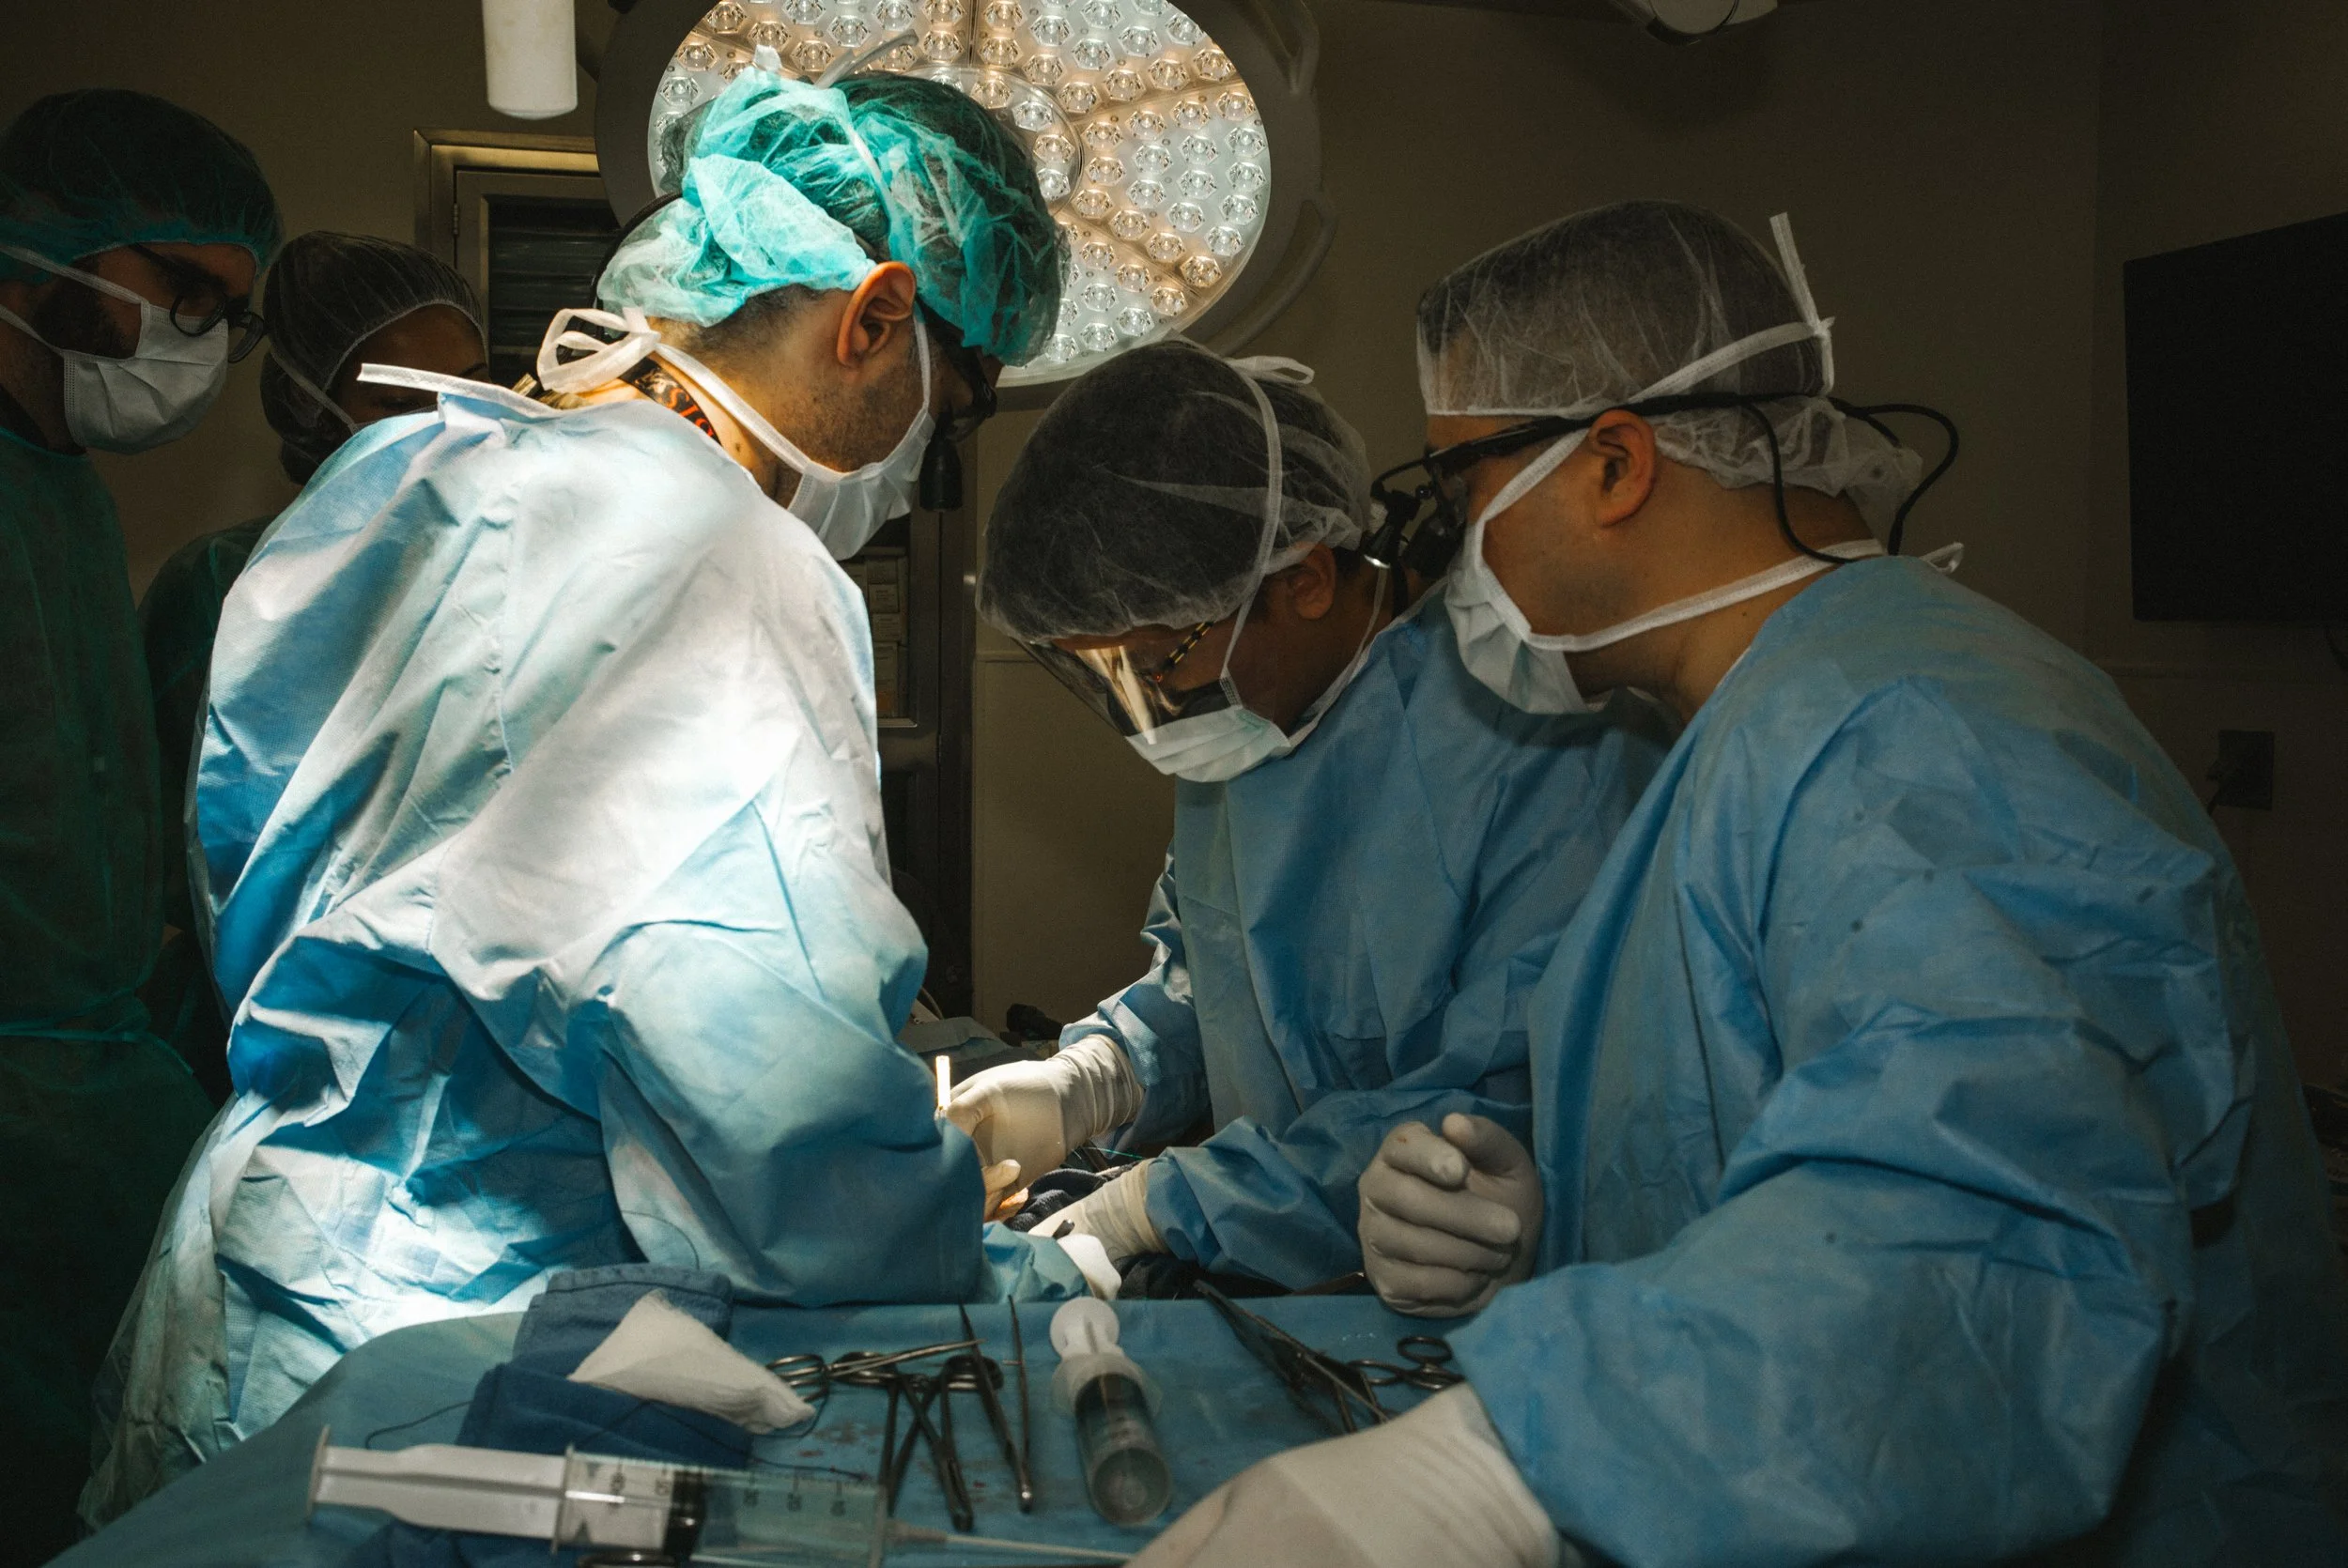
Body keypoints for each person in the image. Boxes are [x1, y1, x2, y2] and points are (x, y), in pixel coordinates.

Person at [1135, 201, 2348, 1567]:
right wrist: (1539, 1226)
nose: (1443, 558)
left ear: (1612, 464)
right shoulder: (1732, 738)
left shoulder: (1913, 734)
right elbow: (1798, 1171)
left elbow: (1976, 1247)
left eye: (1458, 493)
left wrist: (1508, 1467)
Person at [83, 67, 1074, 1524]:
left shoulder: (397, 477)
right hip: (465, 1373)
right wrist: (1000, 1247)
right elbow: (770, 1109)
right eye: (955, 406)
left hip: (260, 1287)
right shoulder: (729, 554)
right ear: (872, 319)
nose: (927, 463)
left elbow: (253, 869)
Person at [955, 340, 1668, 1289]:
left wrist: (1155, 1207)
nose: (1153, 706)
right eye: (1109, 675)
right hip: (1293, 1272)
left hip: (1493, 1299)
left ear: (1306, 581)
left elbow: (1492, 1113)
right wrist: (1092, 1078)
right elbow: (1222, 980)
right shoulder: (1255, 724)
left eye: (1157, 661)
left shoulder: (1542, 746)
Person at [0, 87, 279, 1558]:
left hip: (92, 1083)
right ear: (58, 241)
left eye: (227, 320)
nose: (201, 347)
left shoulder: (67, 493)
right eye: (184, 295)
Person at [138, 233, 488, 1102]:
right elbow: (174, 873)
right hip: (270, 1033)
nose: (458, 421)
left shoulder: (497, 575)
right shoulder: (223, 590)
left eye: (477, 385)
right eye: (407, 400)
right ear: (309, 407)